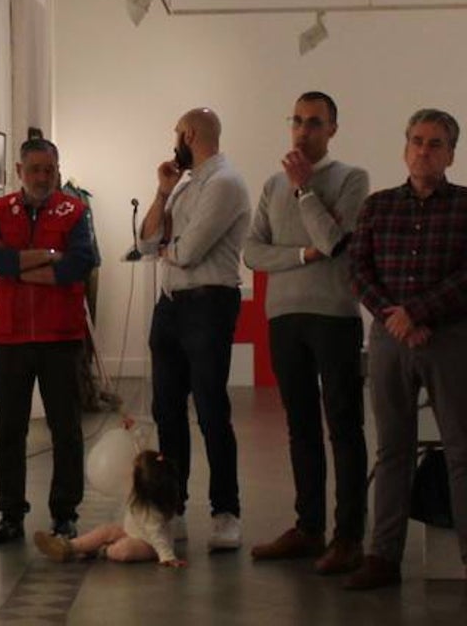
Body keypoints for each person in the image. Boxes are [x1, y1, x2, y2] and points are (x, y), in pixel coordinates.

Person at [243, 92, 369, 575]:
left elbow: (335, 241)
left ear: (332, 129)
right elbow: (253, 251)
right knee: (299, 427)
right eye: (296, 120)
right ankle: (308, 527)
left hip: (334, 315)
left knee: (344, 426)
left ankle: (349, 537)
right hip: (283, 317)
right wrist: (301, 256)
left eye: (314, 123)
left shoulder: (351, 179)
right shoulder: (272, 183)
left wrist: (304, 189)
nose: (302, 131)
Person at [345, 108, 467, 590]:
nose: (423, 150)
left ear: (451, 154)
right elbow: (358, 270)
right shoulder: (377, 206)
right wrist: (394, 317)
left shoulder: (464, 206)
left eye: (435, 143)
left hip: (450, 342)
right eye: (416, 140)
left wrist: (417, 311)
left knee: (462, 450)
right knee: (392, 449)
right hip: (390, 340)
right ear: (405, 147)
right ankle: (383, 557)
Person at [0, 137, 98, 547]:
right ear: (19, 171)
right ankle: (10, 514)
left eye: (49, 169)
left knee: (66, 429)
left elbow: (80, 262)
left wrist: (18, 262)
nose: (42, 177)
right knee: (9, 430)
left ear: (57, 170)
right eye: (35, 170)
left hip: (60, 335)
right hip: (8, 336)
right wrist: (48, 255)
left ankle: (65, 513)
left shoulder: (75, 211)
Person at [136, 107, 250, 551]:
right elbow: (148, 242)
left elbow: (188, 251)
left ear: (189, 133)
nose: (175, 141)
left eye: (176, 134)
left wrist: (168, 248)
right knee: (167, 411)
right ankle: (172, 506)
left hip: (207, 305)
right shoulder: (184, 186)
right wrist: (163, 192)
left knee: (210, 411)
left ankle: (225, 512)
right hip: (170, 306)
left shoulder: (225, 183)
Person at [34, 450, 186, 567]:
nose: (129, 472)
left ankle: (103, 550)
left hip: (148, 545)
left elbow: (157, 537)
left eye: (133, 472)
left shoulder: (151, 514)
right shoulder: (137, 493)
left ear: (141, 487)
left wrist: (167, 557)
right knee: (106, 530)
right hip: (131, 533)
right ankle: (69, 547)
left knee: (126, 550)